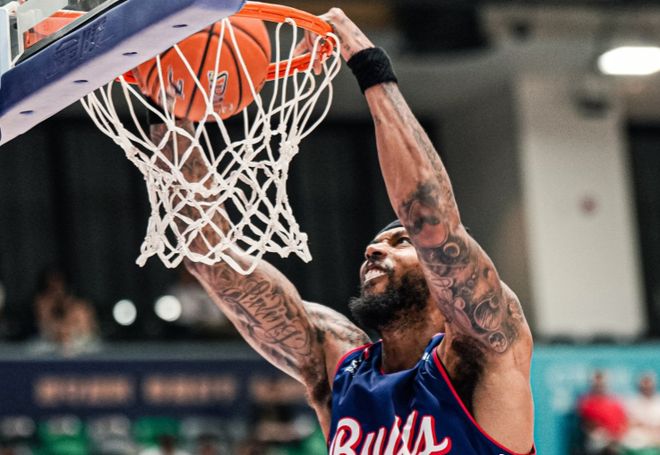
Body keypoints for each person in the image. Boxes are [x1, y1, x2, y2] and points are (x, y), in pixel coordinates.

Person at [148, 8, 534, 454]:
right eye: (375, 242)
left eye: (400, 241)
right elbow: (210, 255)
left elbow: (430, 219)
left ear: (440, 269)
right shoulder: (342, 365)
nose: (373, 249)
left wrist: (370, 66)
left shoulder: (481, 350)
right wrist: (170, 108)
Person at [577, 370, 628, 455]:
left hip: (616, 438)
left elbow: (623, 422)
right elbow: (587, 424)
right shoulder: (586, 402)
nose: (599, 386)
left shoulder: (615, 401)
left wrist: (617, 436)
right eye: (597, 384)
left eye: (602, 383)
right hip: (597, 439)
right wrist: (605, 435)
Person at [623, 373, 660, 453]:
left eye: (649, 383)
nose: (647, 386)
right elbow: (629, 424)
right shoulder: (631, 403)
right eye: (645, 383)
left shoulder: (658, 402)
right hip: (638, 440)